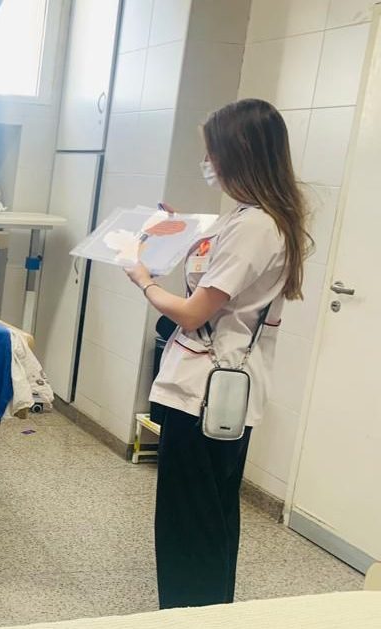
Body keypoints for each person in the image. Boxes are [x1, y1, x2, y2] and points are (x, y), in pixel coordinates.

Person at [124, 98, 311, 609]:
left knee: (190, 526)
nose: (207, 164)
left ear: (239, 154)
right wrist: (174, 231)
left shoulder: (256, 226)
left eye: (213, 153)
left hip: (206, 396)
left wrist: (143, 280)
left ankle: (190, 616)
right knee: (208, 517)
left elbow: (192, 313)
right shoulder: (251, 218)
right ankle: (206, 613)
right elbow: (212, 272)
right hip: (208, 391)